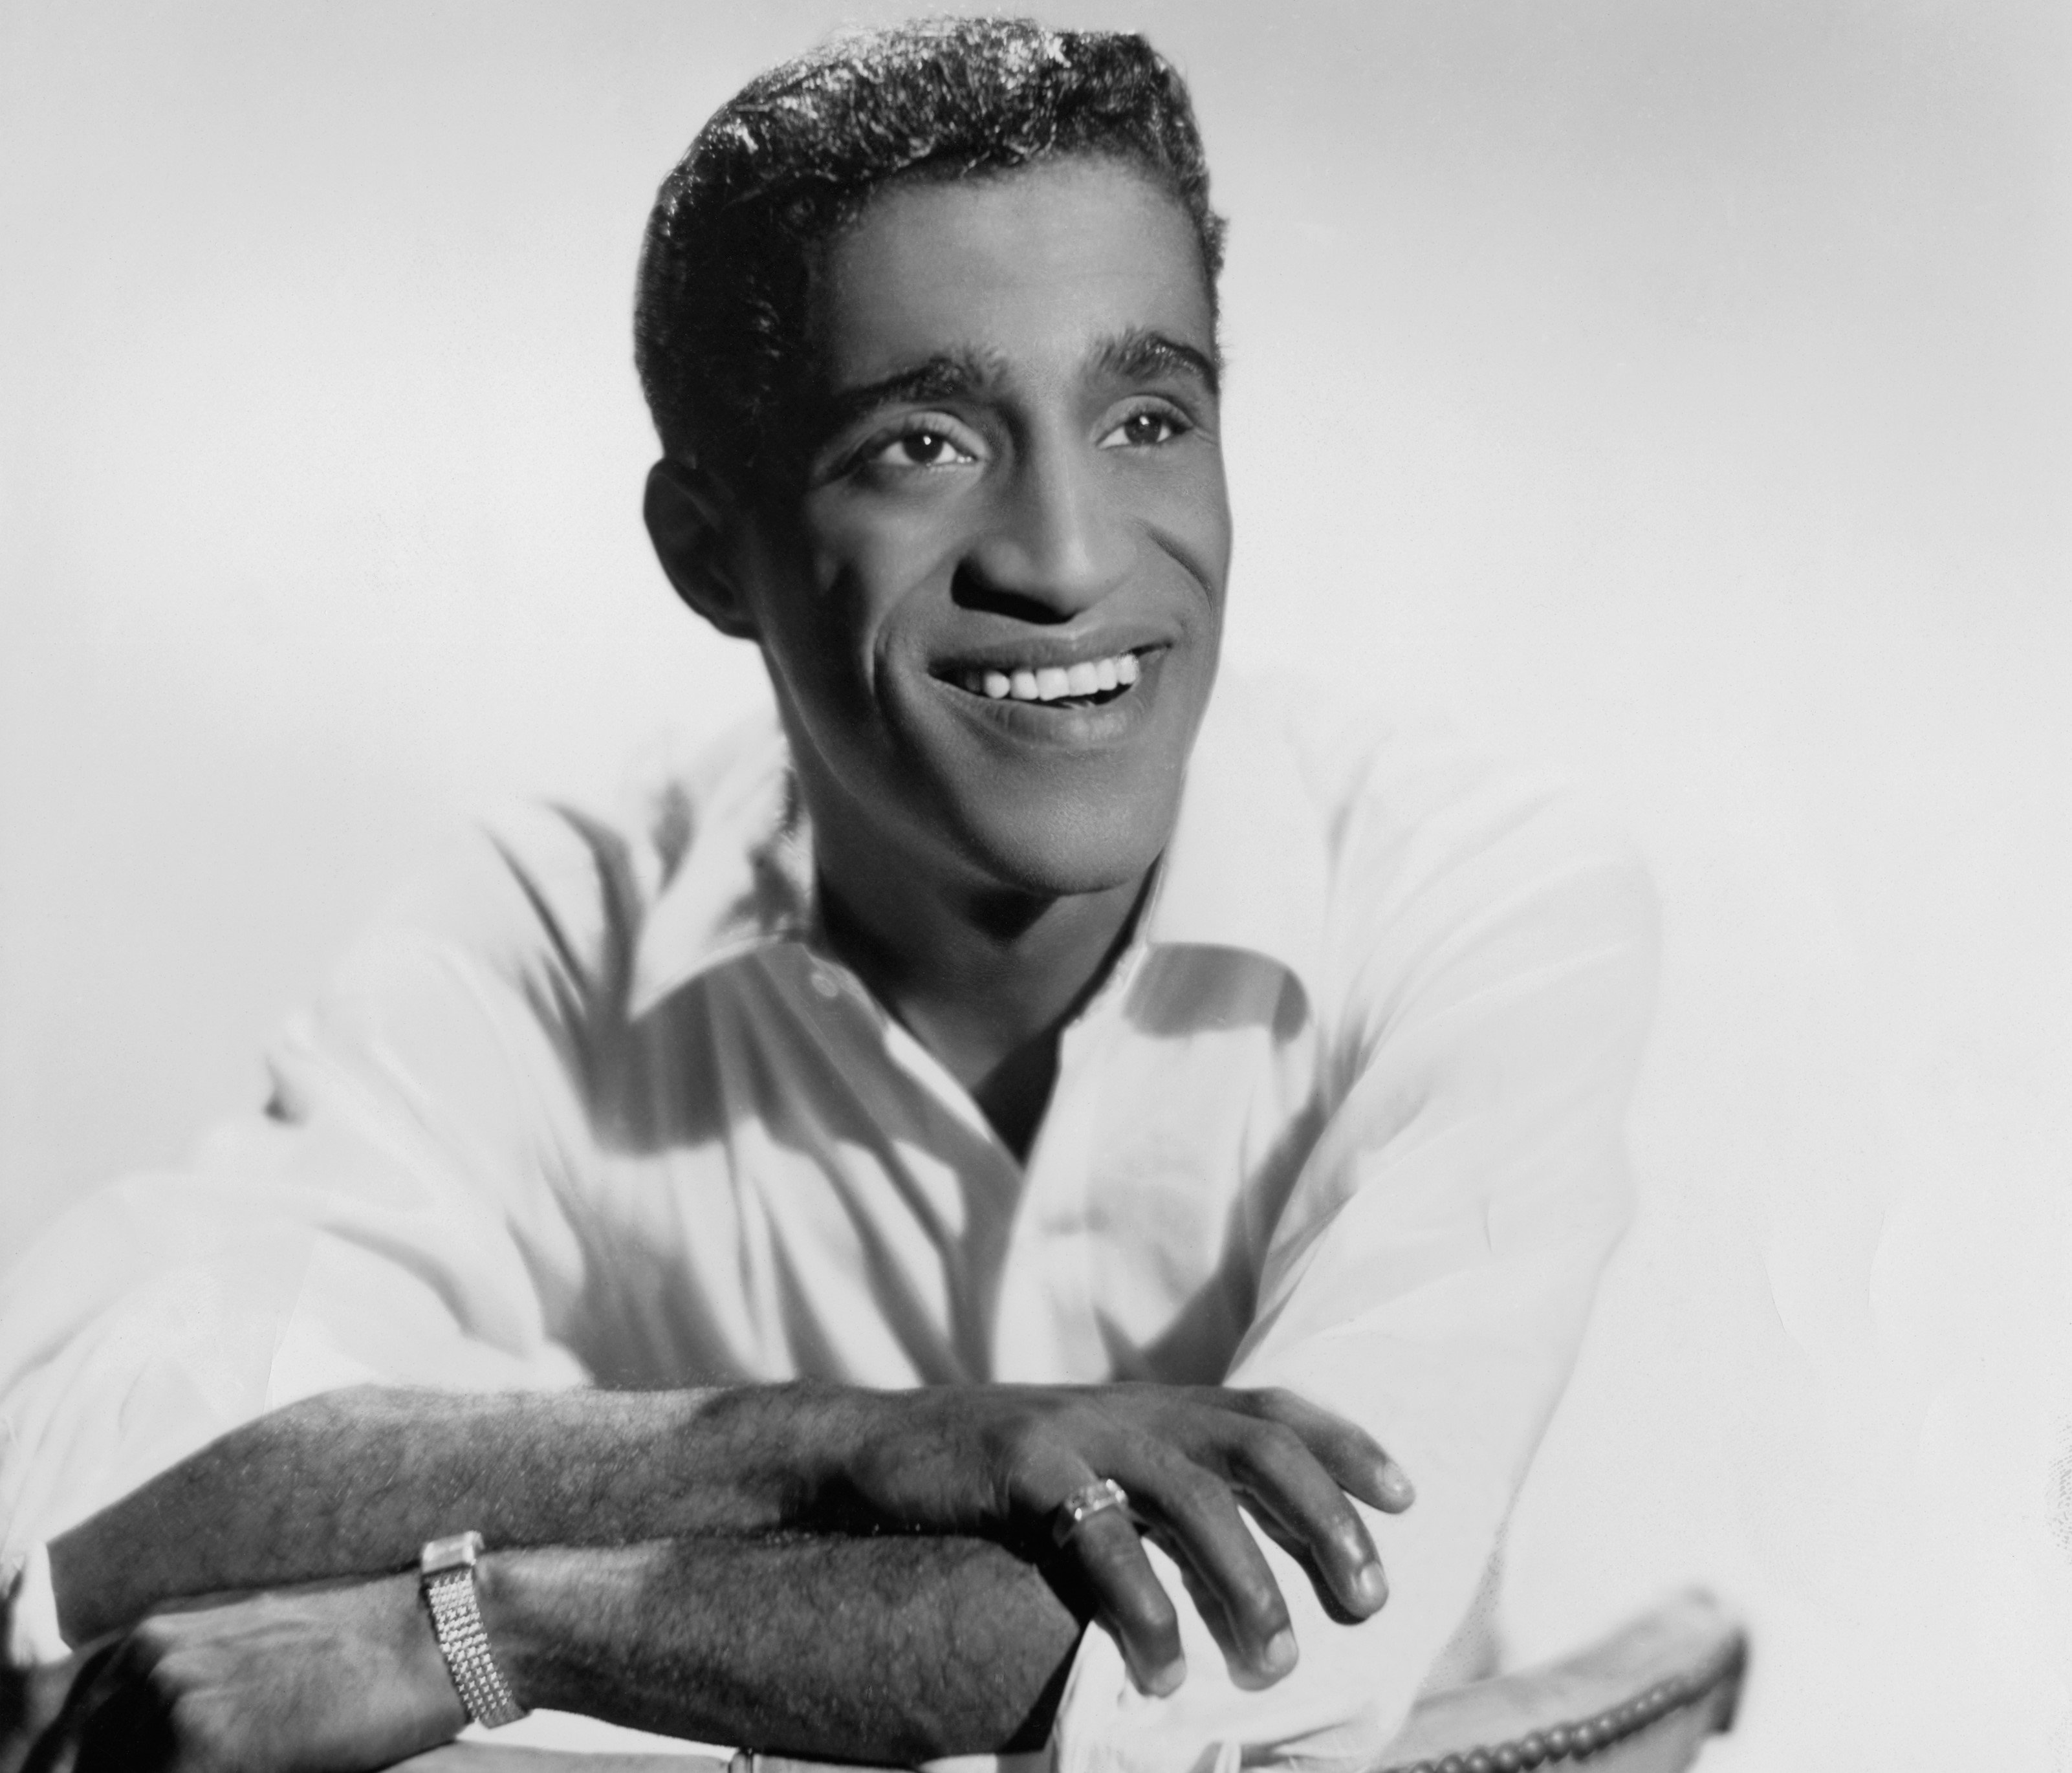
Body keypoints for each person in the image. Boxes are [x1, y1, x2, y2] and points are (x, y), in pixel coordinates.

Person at [0, 17, 1657, 1772]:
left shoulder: (1475, 896)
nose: (1070, 558)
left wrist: (484, 1627)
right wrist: (798, 1448)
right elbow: (91, 1515)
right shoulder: (558, 926)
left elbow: (1244, 1639)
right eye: (923, 445)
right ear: (710, 554)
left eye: (1147, 415)